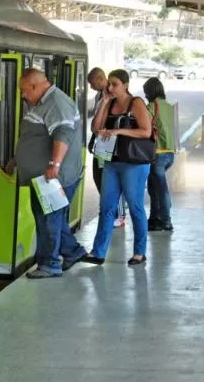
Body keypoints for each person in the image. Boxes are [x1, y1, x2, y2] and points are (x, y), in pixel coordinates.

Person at [10, 68, 88, 278]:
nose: (22, 95)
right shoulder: (44, 102)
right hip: (46, 176)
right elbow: (37, 137)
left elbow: (63, 134)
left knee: (48, 219)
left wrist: (54, 164)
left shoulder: (56, 102)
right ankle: (73, 252)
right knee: (52, 217)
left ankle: (49, 264)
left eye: (24, 90)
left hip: (53, 178)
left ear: (35, 86)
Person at [83, 69, 152, 266]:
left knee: (135, 206)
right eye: (109, 84)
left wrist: (118, 130)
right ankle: (98, 252)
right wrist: (104, 103)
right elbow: (95, 128)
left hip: (133, 163)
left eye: (114, 84)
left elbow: (146, 131)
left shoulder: (135, 103)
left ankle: (139, 251)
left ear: (126, 85)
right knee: (106, 207)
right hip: (111, 161)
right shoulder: (109, 102)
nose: (110, 88)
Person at [87, 67, 126, 228]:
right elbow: (96, 123)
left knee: (111, 181)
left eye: (92, 83)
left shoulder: (115, 98)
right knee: (99, 176)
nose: (91, 87)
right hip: (101, 143)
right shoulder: (100, 97)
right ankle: (109, 210)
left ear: (100, 78)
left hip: (111, 143)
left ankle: (119, 215)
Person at [142, 77, 176, 231]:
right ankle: (154, 218)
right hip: (170, 153)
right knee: (154, 186)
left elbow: (143, 125)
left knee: (161, 188)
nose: (145, 95)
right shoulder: (168, 106)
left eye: (146, 92)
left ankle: (166, 220)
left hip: (158, 153)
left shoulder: (151, 106)